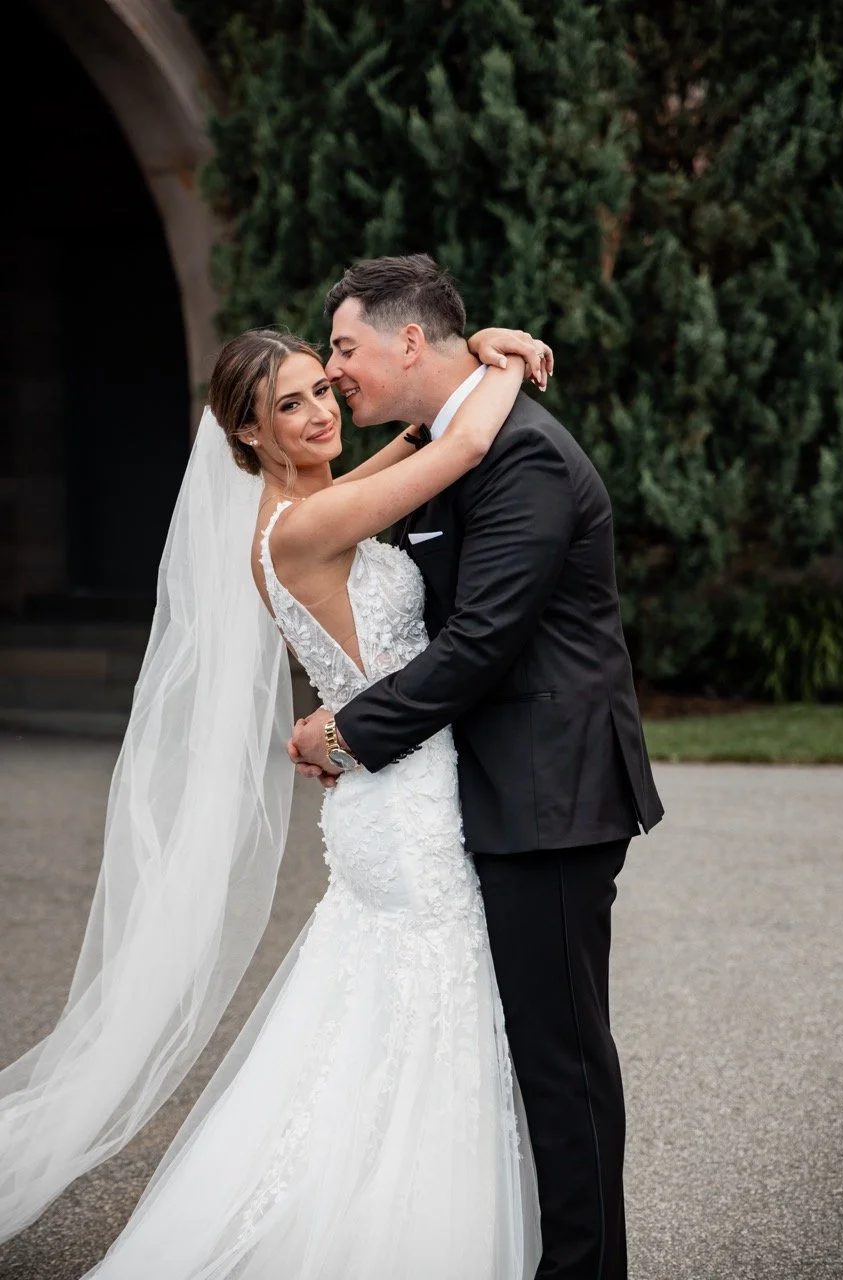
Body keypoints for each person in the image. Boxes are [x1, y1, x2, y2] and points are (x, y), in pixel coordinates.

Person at [0, 318, 555, 1279]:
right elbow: (461, 444)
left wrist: (468, 350)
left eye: (321, 389)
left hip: (387, 784)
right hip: (405, 809)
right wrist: (507, 356)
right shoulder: (300, 527)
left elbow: (413, 442)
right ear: (248, 433)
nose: (319, 413)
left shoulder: (311, 504)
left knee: (381, 1022)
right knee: (430, 1016)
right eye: (288, 405)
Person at [290, 253, 665, 1280]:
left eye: (345, 347)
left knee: (560, 1059)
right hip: (493, 789)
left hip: (553, 794)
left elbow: (481, 641)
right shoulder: (452, 442)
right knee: (519, 1051)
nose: (334, 369)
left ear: (409, 340)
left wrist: (346, 734)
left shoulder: (523, 455)